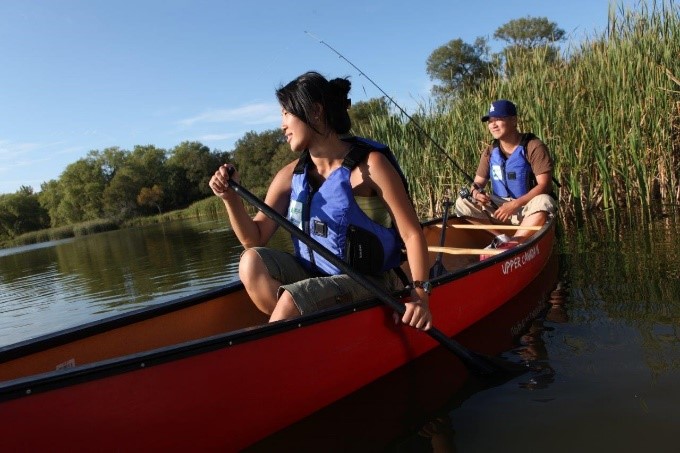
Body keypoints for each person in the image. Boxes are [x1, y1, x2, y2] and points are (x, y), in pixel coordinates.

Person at [208, 71, 432, 330]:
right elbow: (254, 239)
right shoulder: (290, 175)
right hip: (314, 274)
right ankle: (308, 331)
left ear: (315, 111)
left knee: (293, 299)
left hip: (369, 281)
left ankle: (285, 337)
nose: (282, 125)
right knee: (251, 262)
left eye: (286, 113)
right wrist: (230, 198)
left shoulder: (371, 166)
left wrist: (420, 296)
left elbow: (412, 234)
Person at [454, 99, 557, 247]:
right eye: (490, 121)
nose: (493, 125)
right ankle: (501, 239)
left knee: (545, 201)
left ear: (514, 120)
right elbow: (476, 184)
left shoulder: (533, 146)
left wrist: (515, 204)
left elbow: (545, 185)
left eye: (498, 119)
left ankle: (515, 242)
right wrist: (477, 194)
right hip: (499, 208)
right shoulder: (490, 152)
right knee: (462, 202)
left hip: (528, 205)